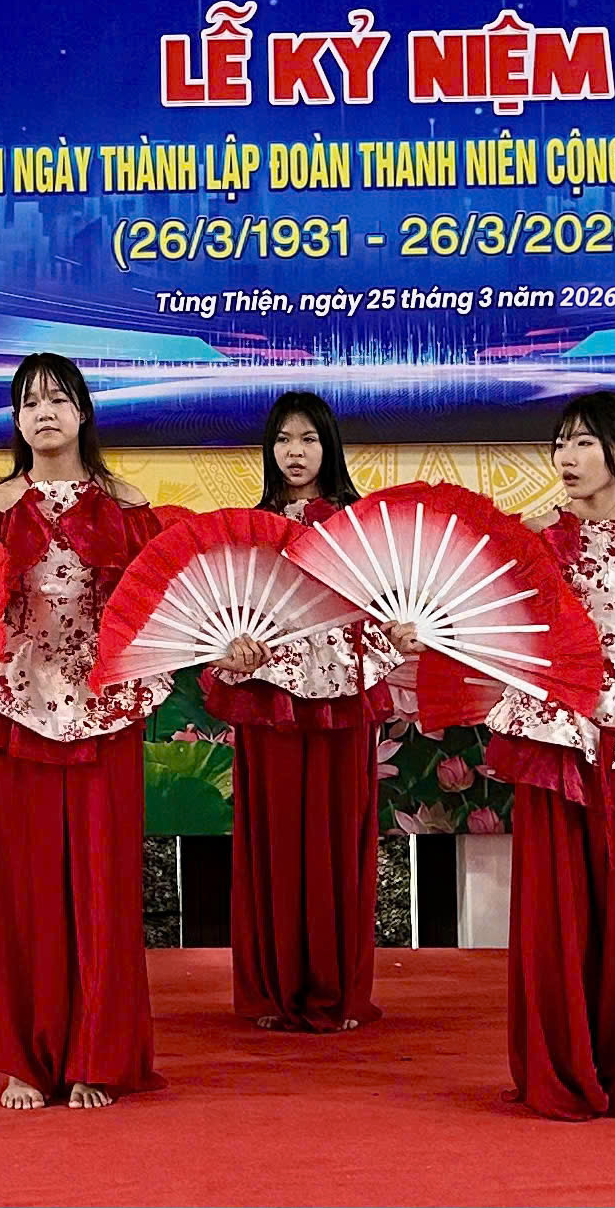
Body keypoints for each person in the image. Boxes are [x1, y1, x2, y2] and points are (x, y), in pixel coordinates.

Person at [420, 391, 615, 1121]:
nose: (566, 456)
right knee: (554, 911)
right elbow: (477, 625)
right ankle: (562, 1068)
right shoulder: (532, 537)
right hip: (552, 740)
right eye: (560, 442)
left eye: (583, 442)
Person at [0, 354, 169, 1110]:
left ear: (83, 412)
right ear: (16, 419)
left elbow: (154, 607)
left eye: (58, 399)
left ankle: (94, 1055)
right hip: (19, 709)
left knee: (104, 884)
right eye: (30, 401)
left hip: (104, 711)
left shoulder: (128, 504)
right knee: (23, 885)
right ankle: (25, 1058)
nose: (44, 412)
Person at [205, 392, 403, 1033]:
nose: (295, 452)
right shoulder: (248, 528)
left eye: (309, 439)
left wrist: (398, 634)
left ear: (329, 447)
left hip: (345, 694)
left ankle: (335, 990)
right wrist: (233, 648)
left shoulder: (361, 527)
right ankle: (273, 988)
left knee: (339, 838)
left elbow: (385, 607)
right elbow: (223, 612)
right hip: (268, 697)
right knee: (271, 839)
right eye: (284, 439)